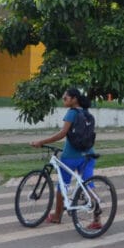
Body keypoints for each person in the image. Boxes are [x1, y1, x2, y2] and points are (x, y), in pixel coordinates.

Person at [29, 88, 102, 229]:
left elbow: (62, 134)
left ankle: (57, 216)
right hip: (88, 155)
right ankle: (97, 219)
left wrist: (41, 142)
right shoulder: (86, 113)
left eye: (65, 98)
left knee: (63, 186)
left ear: (74, 99)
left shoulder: (72, 113)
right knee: (88, 185)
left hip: (71, 156)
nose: (64, 101)